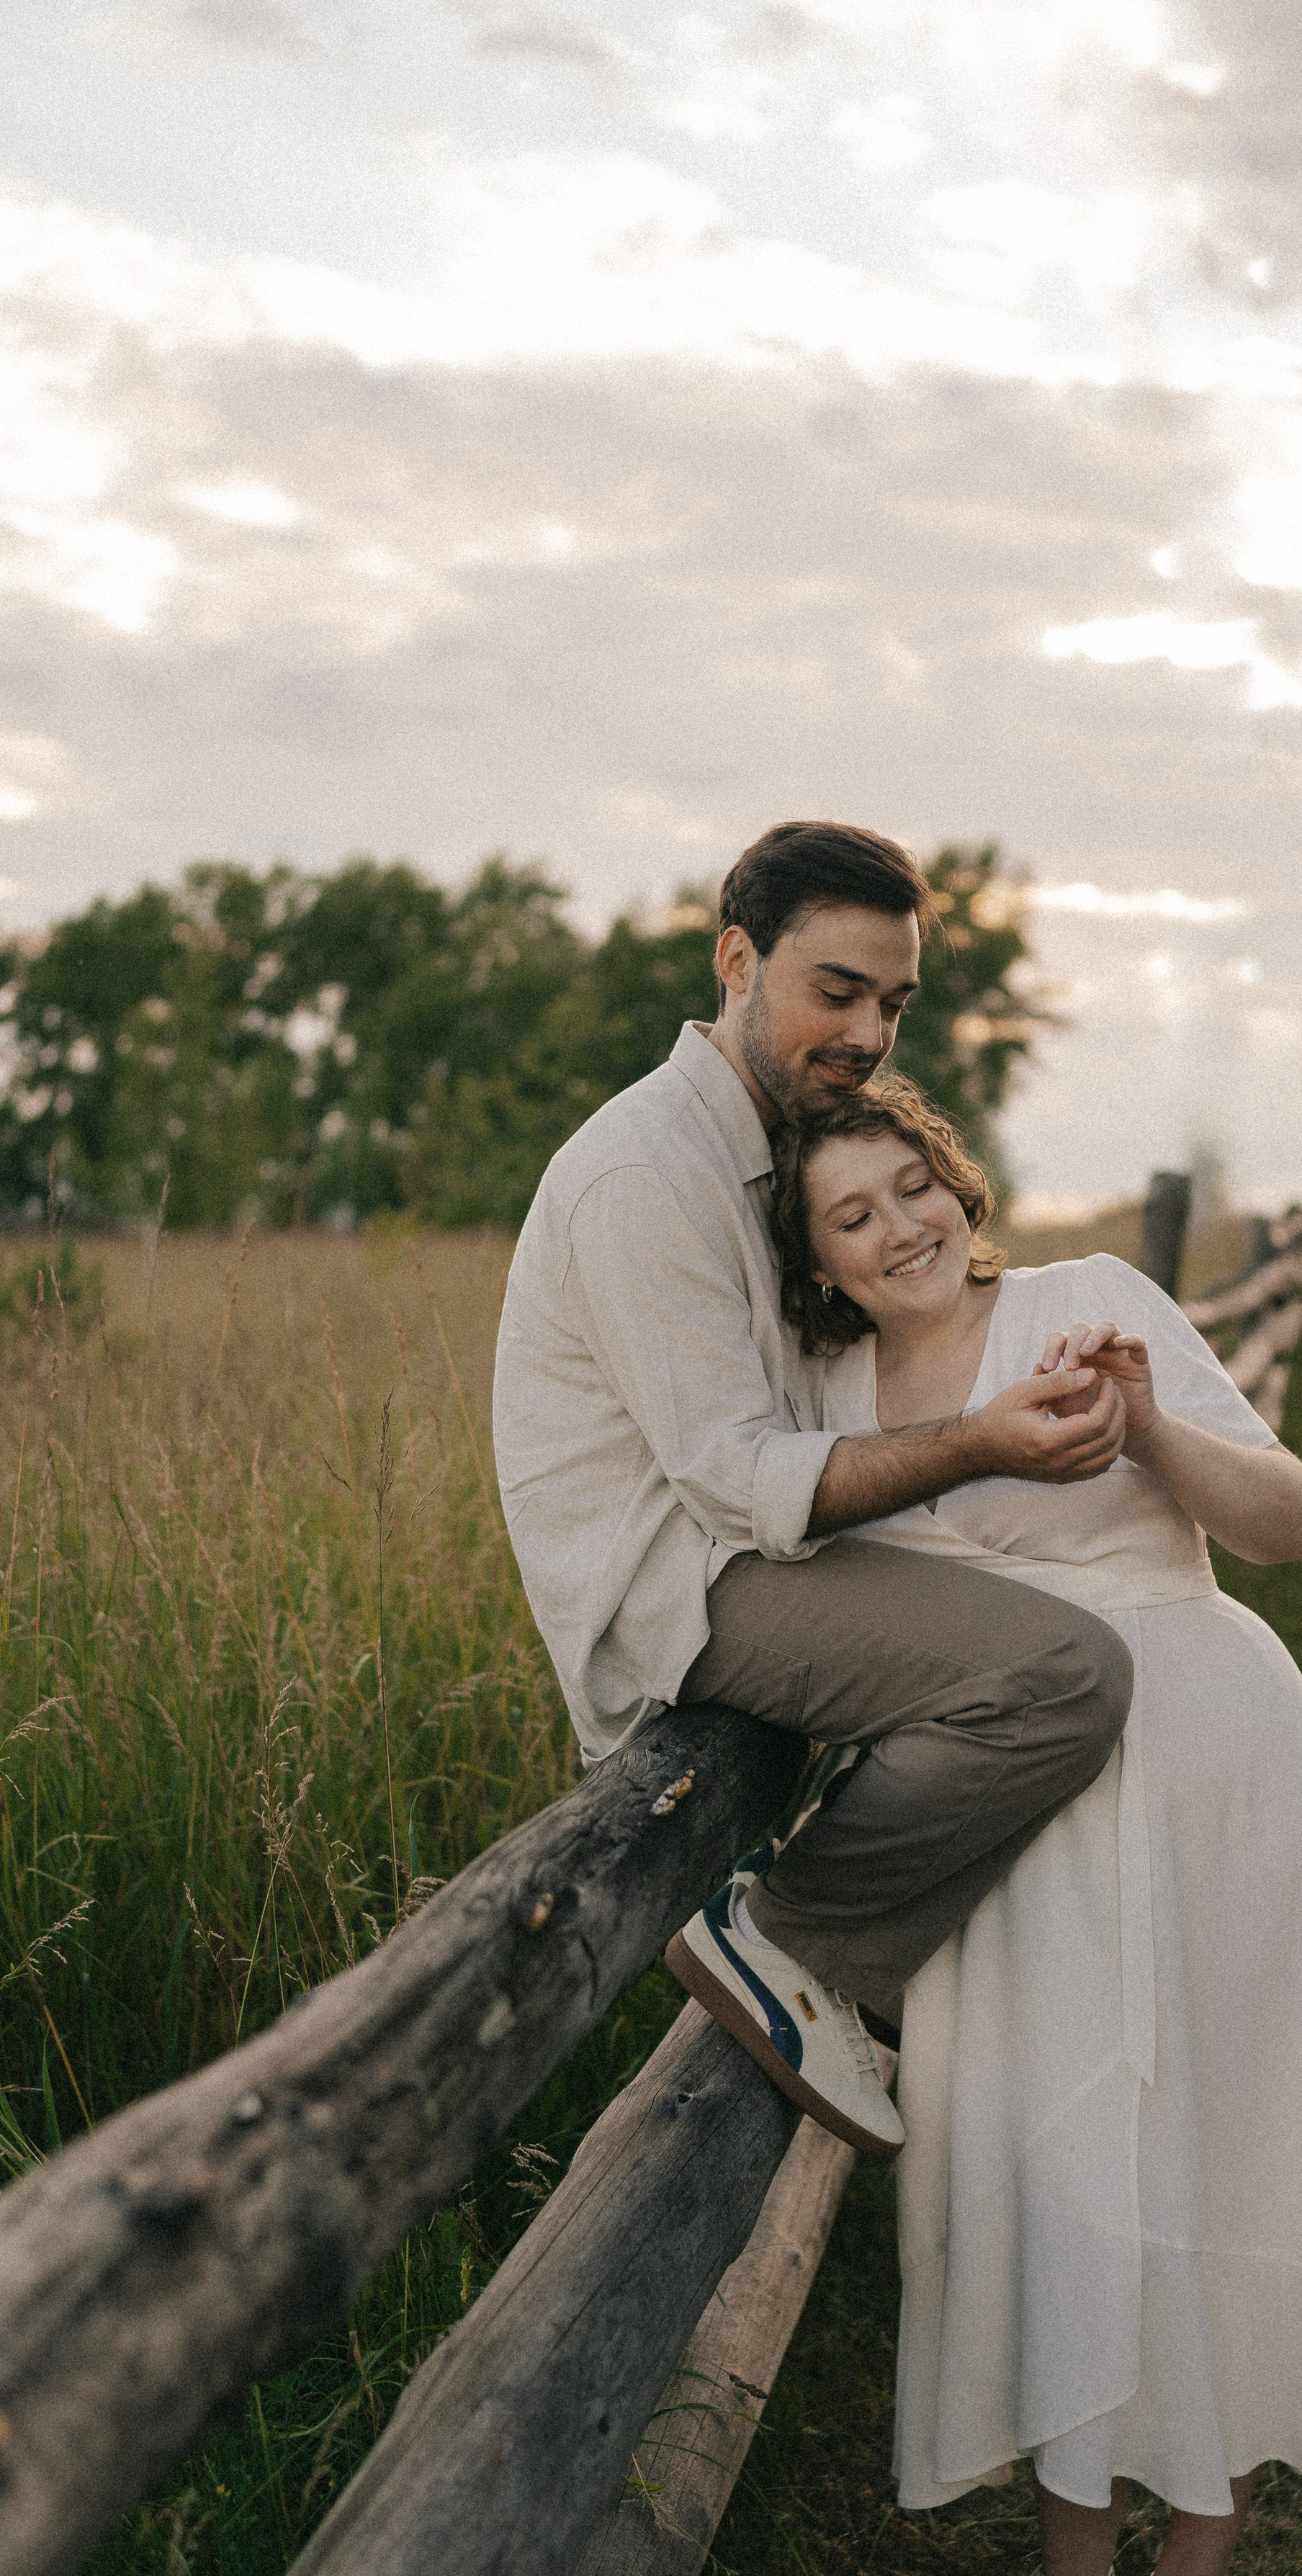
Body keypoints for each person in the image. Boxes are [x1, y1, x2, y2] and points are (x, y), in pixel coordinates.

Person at [769, 1074, 1302, 2576]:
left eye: (910, 1184)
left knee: (1221, 2162)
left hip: (1215, 1766)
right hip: (1023, 1815)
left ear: (951, 1177)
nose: (899, 1228)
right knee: (1055, 2184)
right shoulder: (828, 1400)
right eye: (853, 1216)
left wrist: (1148, 1432)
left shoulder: (1088, 1305)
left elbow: (1289, 1524)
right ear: (817, 1260)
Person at [493, 820, 1134, 2165]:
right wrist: (980, 1441)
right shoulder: (641, 1171)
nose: (868, 1030)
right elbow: (735, 1479)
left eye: (892, 1002)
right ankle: (787, 1941)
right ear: (738, 959)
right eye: (835, 990)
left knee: (1036, 1611)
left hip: (747, 1556)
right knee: (1063, 1672)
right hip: (675, 1585)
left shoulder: (782, 1142)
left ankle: (918, 2002)